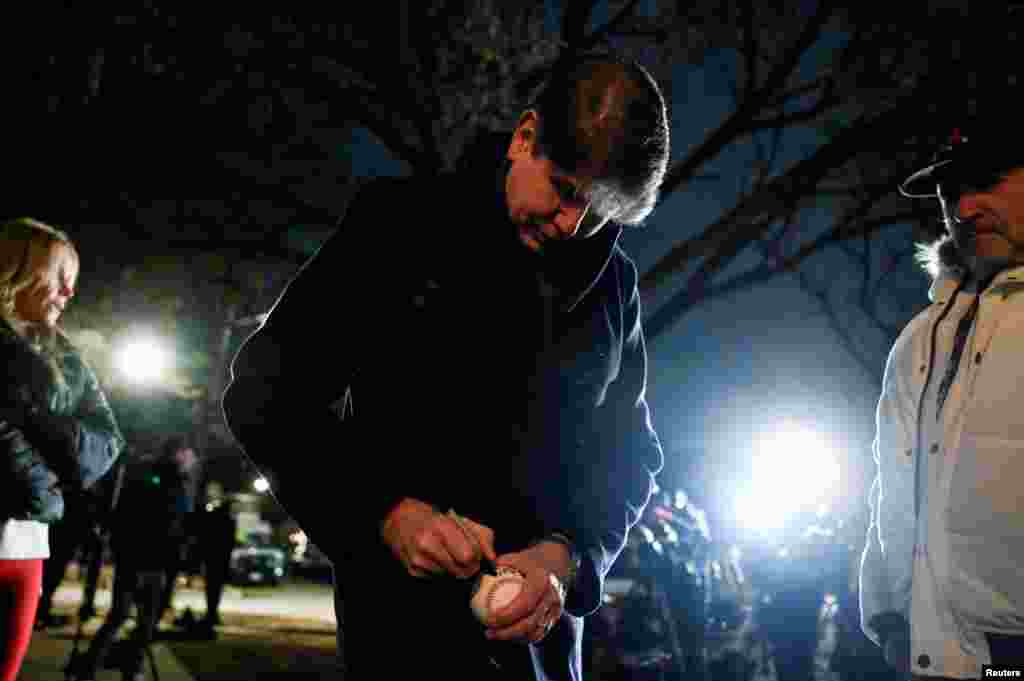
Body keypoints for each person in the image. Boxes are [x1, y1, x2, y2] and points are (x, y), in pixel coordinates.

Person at [222, 51, 669, 680]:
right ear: (524, 138)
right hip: (401, 634)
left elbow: (628, 454)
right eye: (567, 191)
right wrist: (384, 513)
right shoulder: (396, 226)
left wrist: (568, 557)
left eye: (602, 212)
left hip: (543, 648)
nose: (575, 226)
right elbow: (266, 394)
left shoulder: (615, 285)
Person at [860, 115, 1024, 680]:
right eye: (950, 191)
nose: (964, 207)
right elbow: (892, 478)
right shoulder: (919, 338)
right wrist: (886, 611)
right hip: (933, 650)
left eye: (987, 181)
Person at [0, 217, 125, 681]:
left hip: (27, 546)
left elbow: (106, 442)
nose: (69, 293)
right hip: (32, 517)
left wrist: (31, 421)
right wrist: (45, 478)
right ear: (19, 269)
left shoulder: (67, 356)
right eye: (60, 277)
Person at [67, 435, 198, 681]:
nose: (192, 459)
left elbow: (176, 525)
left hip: (150, 562)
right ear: (179, 453)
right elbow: (145, 520)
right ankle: (108, 666)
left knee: (137, 621)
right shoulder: (158, 478)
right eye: (189, 454)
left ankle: (117, 665)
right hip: (142, 560)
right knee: (127, 618)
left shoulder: (174, 480)